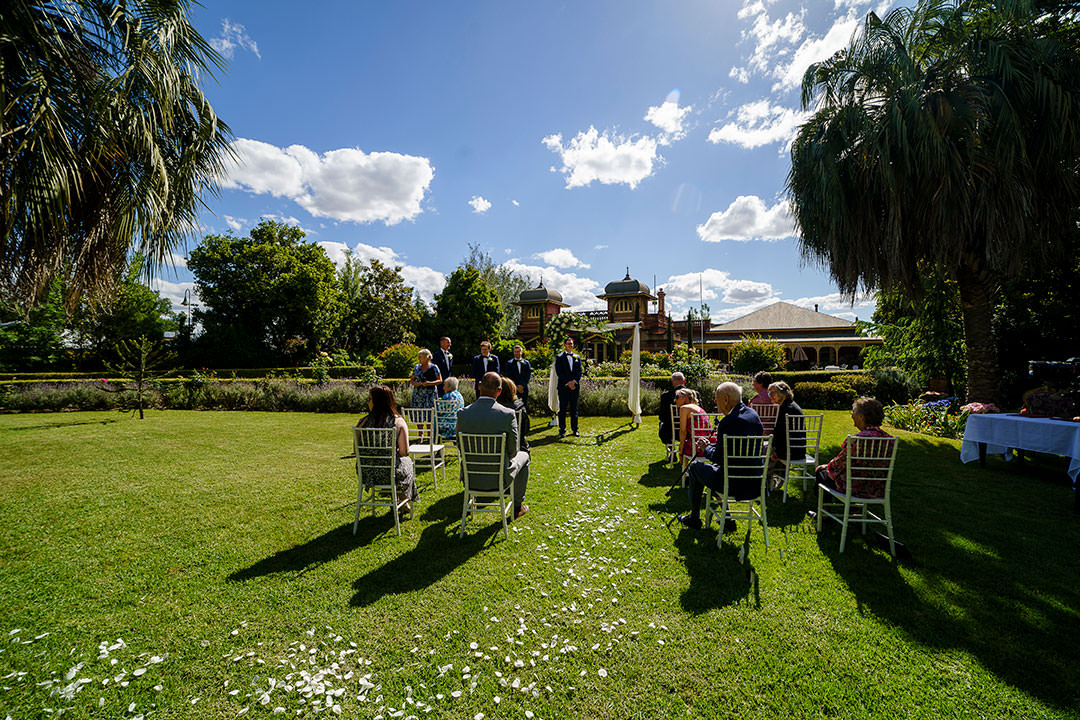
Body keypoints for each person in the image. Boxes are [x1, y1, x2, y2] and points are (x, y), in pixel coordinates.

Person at [678, 382, 763, 530]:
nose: (715, 401)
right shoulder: (753, 415)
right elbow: (728, 453)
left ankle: (694, 518)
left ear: (725, 399)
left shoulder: (728, 422)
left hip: (733, 483)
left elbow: (718, 457)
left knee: (695, 467)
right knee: (713, 470)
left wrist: (705, 448)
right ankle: (727, 519)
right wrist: (712, 447)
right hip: (755, 481)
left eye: (716, 398)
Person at [457, 372, 530, 519]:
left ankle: (472, 500)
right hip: (499, 478)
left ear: (479, 386)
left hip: (471, 476)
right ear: (499, 391)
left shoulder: (463, 413)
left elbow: (460, 446)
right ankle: (517, 506)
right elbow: (512, 452)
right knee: (524, 456)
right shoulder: (507, 414)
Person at [356, 385, 418, 513]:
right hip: (389, 473)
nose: (368, 402)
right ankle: (402, 498)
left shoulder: (362, 423)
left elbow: (356, 451)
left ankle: (398, 498)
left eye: (370, 399)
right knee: (407, 462)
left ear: (376, 402)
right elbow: (404, 452)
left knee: (396, 466)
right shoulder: (398, 422)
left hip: (367, 473)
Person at [816, 397, 892, 498]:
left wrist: (826, 467)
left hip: (853, 487)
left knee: (821, 472)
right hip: (876, 488)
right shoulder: (889, 439)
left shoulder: (857, 439)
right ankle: (849, 507)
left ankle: (826, 508)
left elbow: (839, 463)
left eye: (853, 412)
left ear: (861, 417)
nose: (852, 415)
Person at [766, 381, 804, 491]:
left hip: (789, 452)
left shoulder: (786, 408)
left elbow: (779, 433)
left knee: (763, 449)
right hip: (799, 451)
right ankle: (773, 482)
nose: (770, 396)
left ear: (783, 393)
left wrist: (774, 450)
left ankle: (766, 483)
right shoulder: (792, 405)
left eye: (773, 393)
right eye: (769, 393)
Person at [676, 388, 711, 471]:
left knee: (682, 450)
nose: (675, 400)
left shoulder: (684, 408)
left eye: (677, 397)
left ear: (685, 398)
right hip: (709, 443)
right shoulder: (698, 407)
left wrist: (681, 447)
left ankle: (687, 473)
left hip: (697, 445)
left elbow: (683, 431)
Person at [555, 337, 582, 437]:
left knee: (574, 409)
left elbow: (579, 371)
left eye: (571, 344)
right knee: (562, 409)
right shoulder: (559, 357)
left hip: (574, 387)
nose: (570, 345)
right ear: (564, 345)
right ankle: (562, 430)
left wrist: (574, 382)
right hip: (563, 387)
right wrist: (568, 382)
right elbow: (559, 372)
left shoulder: (577, 357)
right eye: (568, 343)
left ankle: (575, 429)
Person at [497, 376, 530, 452]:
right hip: (519, 447)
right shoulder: (519, 408)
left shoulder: (492, 408)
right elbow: (526, 429)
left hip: (496, 448)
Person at [658, 372, 687, 447]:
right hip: (690, 430)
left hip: (670, 431)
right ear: (684, 380)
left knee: (662, 424)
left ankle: (670, 447)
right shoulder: (694, 394)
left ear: (672, 382)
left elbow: (662, 417)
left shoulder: (666, 396)